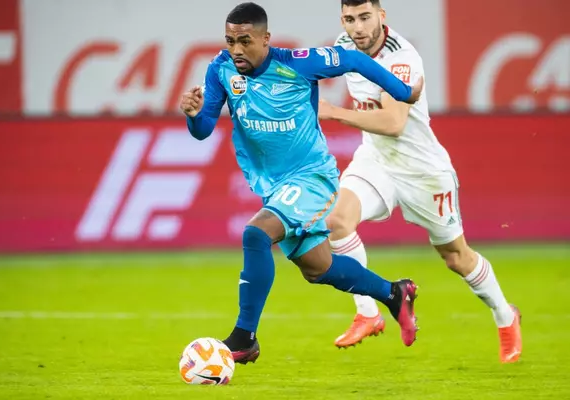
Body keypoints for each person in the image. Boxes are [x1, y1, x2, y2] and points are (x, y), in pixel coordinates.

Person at [180, 2, 424, 364]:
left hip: (311, 177)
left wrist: (403, 92)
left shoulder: (297, 63)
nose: (236, 49)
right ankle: (394, 294)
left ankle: (244, 338)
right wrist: (193, 114)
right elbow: (203, 129)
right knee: (318, 268)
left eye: (245, 41)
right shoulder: (221, 69)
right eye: (230, 41)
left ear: (265, 38)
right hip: (274, 186)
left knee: (256, 234)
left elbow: (351, 59)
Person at [319, 0, 522, 363]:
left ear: (381, 16)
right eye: (350, 19)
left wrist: (333, 111)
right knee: (336, 221)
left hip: (422, 170)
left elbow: (394, 123)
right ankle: (368, 313)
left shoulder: (403, 58)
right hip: (376, 161)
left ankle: (505, 316)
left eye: (365, 17)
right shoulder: (344, 44)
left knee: (456, 258)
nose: (358, 27)